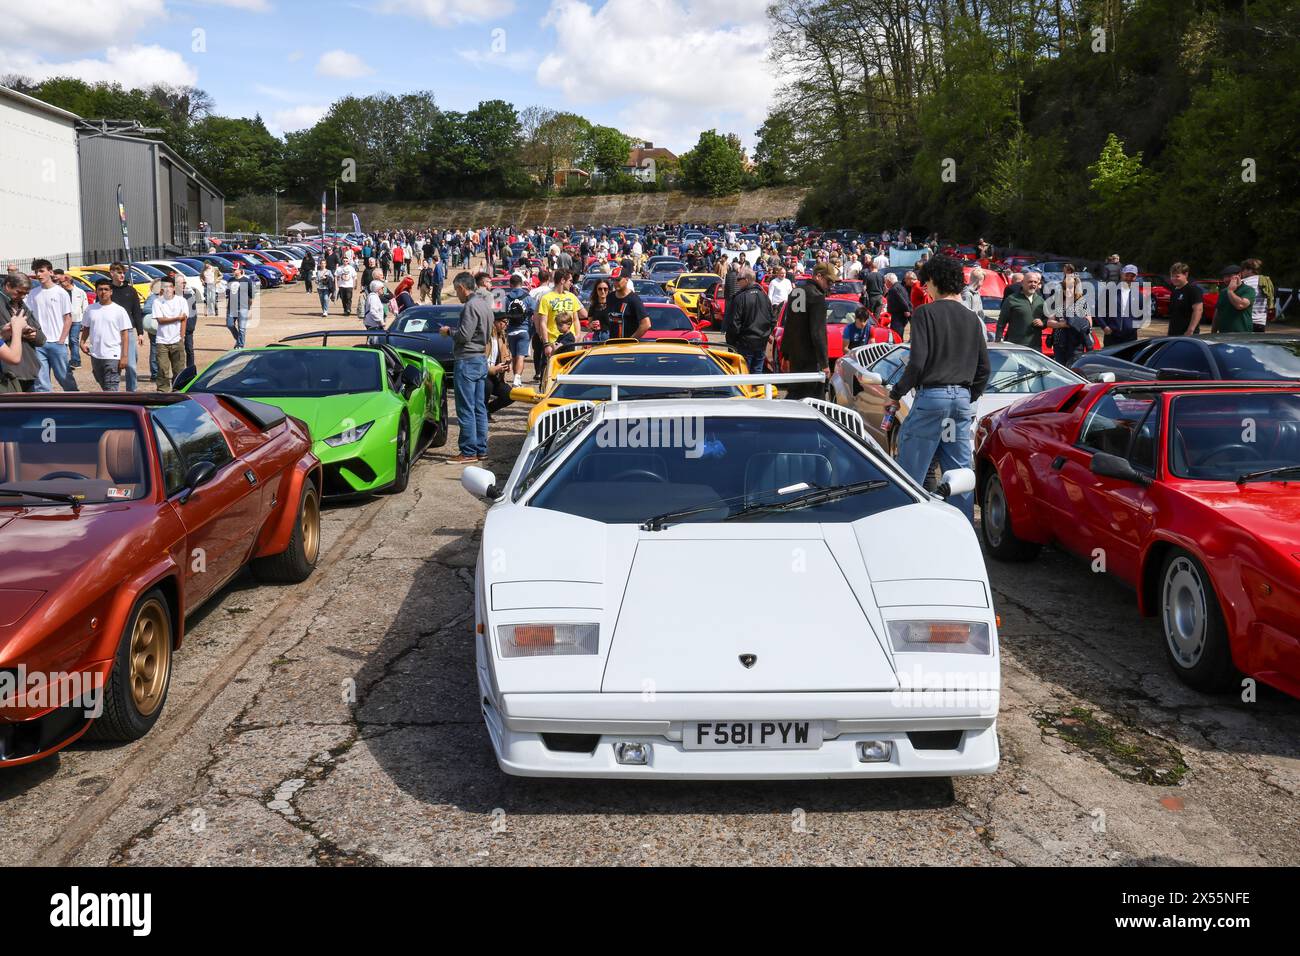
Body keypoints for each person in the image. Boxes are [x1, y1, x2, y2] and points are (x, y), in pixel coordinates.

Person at [885, 255, 989, 522]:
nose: (924, 287)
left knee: (911, 471)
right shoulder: (972, 318)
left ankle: (909, 526)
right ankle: (963, 528)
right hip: (962, 401)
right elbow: (984, 369)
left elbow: (917, 363)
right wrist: (966, 395)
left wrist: (896, 393)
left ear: (933, 281)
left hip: (933, 399)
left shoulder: (925, 313)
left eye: (926, 282)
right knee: (960, 472)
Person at [442, 271, 492, 463]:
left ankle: (468, 451)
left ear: (462, 288)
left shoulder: (470, 306)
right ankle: (481, 448)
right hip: (479, 358)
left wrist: (448, 331)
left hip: (468, 359)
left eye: (456, 290)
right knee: (479, 407)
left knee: (466, 408)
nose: (457, 294)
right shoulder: (484, 304)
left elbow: (464, 335)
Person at [782, 263, 832, 399]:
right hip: (811, 359)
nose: (830, 285)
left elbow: (789, 326)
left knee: (795, 395)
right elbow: (818, 333)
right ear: (818, 276)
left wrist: (785, 355)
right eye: (829, 281)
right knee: (813, 400)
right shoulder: (817, 297)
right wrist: (825, 363)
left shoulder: (795, 292)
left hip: (795, 356)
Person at [27, 259, 77, 391]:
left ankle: (76, 402)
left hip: (57, 342)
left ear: (50, 272)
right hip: (39, 343)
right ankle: (43, 409)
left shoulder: (61, 293)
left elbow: (68, 318)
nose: (38, 274)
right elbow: (29, 317)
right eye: (36, 271)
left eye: (41, 271)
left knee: (64, 377)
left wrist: (61, 340)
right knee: (41, 382)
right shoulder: (33, 293)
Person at [535, 271, 587, 387]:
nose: (571, 284)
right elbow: (542, 322)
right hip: (553, 343)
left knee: (568, 373)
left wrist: (577, 335)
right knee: (549, 375)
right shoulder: (546, 298)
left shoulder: (571, 296)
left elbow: (575, 319)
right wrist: (546, 343)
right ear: (562, 280)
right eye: (570, 281)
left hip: (569, 343)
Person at [80, 278, 132, 392]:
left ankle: (114, 407)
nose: (103, 292)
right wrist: (82, 342)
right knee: (103, 384)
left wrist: (124, 356)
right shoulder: (90, 309)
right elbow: (86, 328)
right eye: (100, 289)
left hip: (113, 354)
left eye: (106, 289)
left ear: (111, 292)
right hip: (96, 354)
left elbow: (125, 334)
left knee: (111, 387)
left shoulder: (119, 310)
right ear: (96, 291)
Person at [0, 272, 46, 392]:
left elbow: (42, 339)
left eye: (25, 294)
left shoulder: (22, 306)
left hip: (28, 371)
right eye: (19, 292)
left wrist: (33, 334)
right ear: (8, 286)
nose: (22, 296)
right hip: (8, 375)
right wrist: (13, 330)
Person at [724, 266, 773, 374]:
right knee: (756, 373)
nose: (737, 282)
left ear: (746, 280)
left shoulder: (740, 297)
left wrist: (733, 341)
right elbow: (772, 319)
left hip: (745, 343)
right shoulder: (764, 296)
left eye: (739, 279)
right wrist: (765, 335)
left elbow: (734, 323)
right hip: (760, 342)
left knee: (743, 375)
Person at [1045, 269, 1094, 366]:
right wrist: (1062, 324)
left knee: (1074, 370)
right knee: (1061, 370)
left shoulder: (1082, 302)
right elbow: (1049, 322)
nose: (1067, 290)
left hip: (1076, 345)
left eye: (1071, 287)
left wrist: (1074, 323)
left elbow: (1089, 323)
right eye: (1065, 287)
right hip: (1059, 344)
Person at [108, 263, 144, 390]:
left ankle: (131, 393)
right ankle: (114, 393)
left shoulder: (131, 290)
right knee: (113, 366)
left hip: (128, 331)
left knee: (131, 366)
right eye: (119, 272)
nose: (122, 275)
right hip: (111, 332)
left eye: (123, 273)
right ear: (112, 273)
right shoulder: (107, 290)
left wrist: (140, 333)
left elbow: (137, 312)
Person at [151, 277, 187, 390]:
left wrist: (182, 336)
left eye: (170, 286)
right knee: (162, 369)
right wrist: (177, 317)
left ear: (174, 288)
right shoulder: (157, 302)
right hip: (162, 341)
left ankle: (178, 391)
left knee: (179, 369)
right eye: (165, 286)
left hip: (177, 340)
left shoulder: (181, 301)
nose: (167, 289)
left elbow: (184, 320)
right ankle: (163, 392)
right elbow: (160, 320)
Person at [1098, 264, 1145, 345]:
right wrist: (1104, 326)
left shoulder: (1139, 296)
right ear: (1121, 274)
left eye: (1132, 276)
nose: (1129, 278)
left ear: (1136, 277)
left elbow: (1143, 315)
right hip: (1111, 336)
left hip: (1130, 339)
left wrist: (1132, 327)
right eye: (1127, 275)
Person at [997, 271, 1046, 349]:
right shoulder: (1011, 299)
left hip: (1035, 346)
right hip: (1015, 346)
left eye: (1035, 282)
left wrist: (1043, 322)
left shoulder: (1040, 300)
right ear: (1022, 283)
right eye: (1030, 282)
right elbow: (1001, 322)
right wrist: (998, 340)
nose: (1033, 284)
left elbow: (1046, 318)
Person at [54, 270, 88, 370]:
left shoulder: (80, 292)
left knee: (73, 340)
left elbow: (85, 307)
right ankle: (64, 361)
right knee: (64, 340)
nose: (60, 284)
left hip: (76, 320)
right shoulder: (60, 292)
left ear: (69, 281)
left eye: (62, 282)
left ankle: (76, 361)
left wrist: (84, 321)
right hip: (63, 320)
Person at [1212, 264, 1255, 334]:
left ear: (1239, 275)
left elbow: (1240, 305)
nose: (1226, 279)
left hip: (1242, 335)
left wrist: (1230, 291)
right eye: (1224, 277)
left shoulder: (1248, 290)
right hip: (1223, 334)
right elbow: (1217, 313)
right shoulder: (1223, 292)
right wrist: (1213, 332)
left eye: (1229, 276)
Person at [486, 313, 515, 416]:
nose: (506, 325)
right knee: (487, 386)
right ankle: (480, 414)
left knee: (510, 395)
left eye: (507, 322)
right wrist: (492, 369)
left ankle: (487, 411)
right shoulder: (485, 336)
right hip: (484, 372)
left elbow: (506, 353)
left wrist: (507, 364)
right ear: (495, 322)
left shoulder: (501, 336)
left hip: (496, 374)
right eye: (504, 322)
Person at [1166, 263, 1203, 336]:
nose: (1173, 278)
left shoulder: (1193, 290)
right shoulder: (1174, 291)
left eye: (1177, 276)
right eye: (1172, 276)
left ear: (1186, 275)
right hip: (1173, 334)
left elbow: (1198, 310)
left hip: (1187, 335)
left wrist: (1190, 330)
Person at [225, 262, 257, 349]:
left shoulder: (247, 280)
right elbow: (228, 293)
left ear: (240, 270)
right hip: (231, 307)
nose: (233, 270)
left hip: (243, 307)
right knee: (230, 325)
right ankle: (239, 340)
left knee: (242, 328)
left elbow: (252, 296)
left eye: (235, 269)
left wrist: (249, 307)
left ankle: (240, 345)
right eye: (233, 269)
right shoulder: (230, 280)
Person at [607, 273, 648, 339]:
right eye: (613, 279)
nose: (615, 282)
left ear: (626, 279)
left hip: (627, 347)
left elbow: (646, 324)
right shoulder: (609, 297)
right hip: (612, 345)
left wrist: (631, 340)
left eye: (618, 280)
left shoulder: (634, 299)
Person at [1242, 258, 1273, 333]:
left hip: (1246, 321)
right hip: (1261, 322)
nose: (1242, 272)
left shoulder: (1244, 282)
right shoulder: (1266, 282)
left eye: (1243, 269)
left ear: (1250, 270)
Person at [885, 270, 914, 340]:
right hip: (899, 315)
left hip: (898, 316)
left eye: (885, 281)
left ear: (889, 281)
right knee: (896, 335)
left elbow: (903, 301)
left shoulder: (894, 289)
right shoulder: (899, 286)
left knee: (897, 335)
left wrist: (907, 310)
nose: (885, 283)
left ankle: (898, 348)